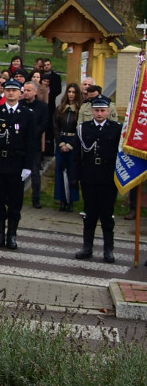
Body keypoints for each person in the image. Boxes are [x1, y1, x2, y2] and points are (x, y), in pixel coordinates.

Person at [0, 79, 36, 249]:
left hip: (17, 163)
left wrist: (28, 166)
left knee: (15, 202)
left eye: (14, 90)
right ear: (4, 92)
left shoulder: (27, 114)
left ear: (20, 93)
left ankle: (12, 234)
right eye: (8, 90)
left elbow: (31, 143)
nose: (11, 93)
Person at [74, 96, 122, 262]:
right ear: (92, 111)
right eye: (97, 110)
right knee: (90, 214)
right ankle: (87, 247)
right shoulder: (84, 128)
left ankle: (108, 249)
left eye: (102, 110)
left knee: (107, 216)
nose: (99, 113)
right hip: (89, 177)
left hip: (108, 178)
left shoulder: (116, 129)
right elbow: (77, 155)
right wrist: (75, 177)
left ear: (108, 111)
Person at [54, 83, 82, 212]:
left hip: (73, 142)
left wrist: (71, 144)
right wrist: (60, 143)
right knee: (60, 171)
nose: (71, 94)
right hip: (61, 141)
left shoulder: (79, 110)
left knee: (72, 171)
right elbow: (55, 126)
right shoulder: (61, 108)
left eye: (73, 92)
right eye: (69, 92)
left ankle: (71, 200)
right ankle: (62, 200)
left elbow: (80, 129)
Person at [21, 82, 49, 208]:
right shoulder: (20, 105)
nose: (26, 93)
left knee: (35, 172)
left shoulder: (42, 106)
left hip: (34, 144)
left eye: (29, 90)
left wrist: (32, 135)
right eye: (24, 90)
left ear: (35, 92)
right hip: (20, 143)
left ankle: (36, 198)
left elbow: (43, 123)